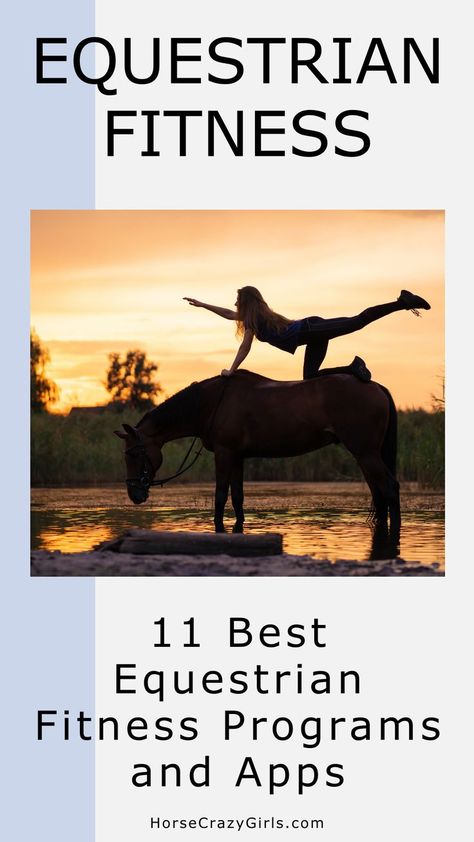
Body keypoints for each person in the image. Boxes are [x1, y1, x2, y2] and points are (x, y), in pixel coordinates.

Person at [183, 286, 430, 382]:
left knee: (358, 321)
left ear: (246, 301)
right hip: (310, 334)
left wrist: (232, 370)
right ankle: (354, 368)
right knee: (311, 377)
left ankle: (401, 303)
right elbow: (228, 314)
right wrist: (203, 305)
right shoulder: (255, 315)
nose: (235, 304)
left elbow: (245, 348)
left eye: (238, 300)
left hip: (310, 329)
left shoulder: (254, 320)